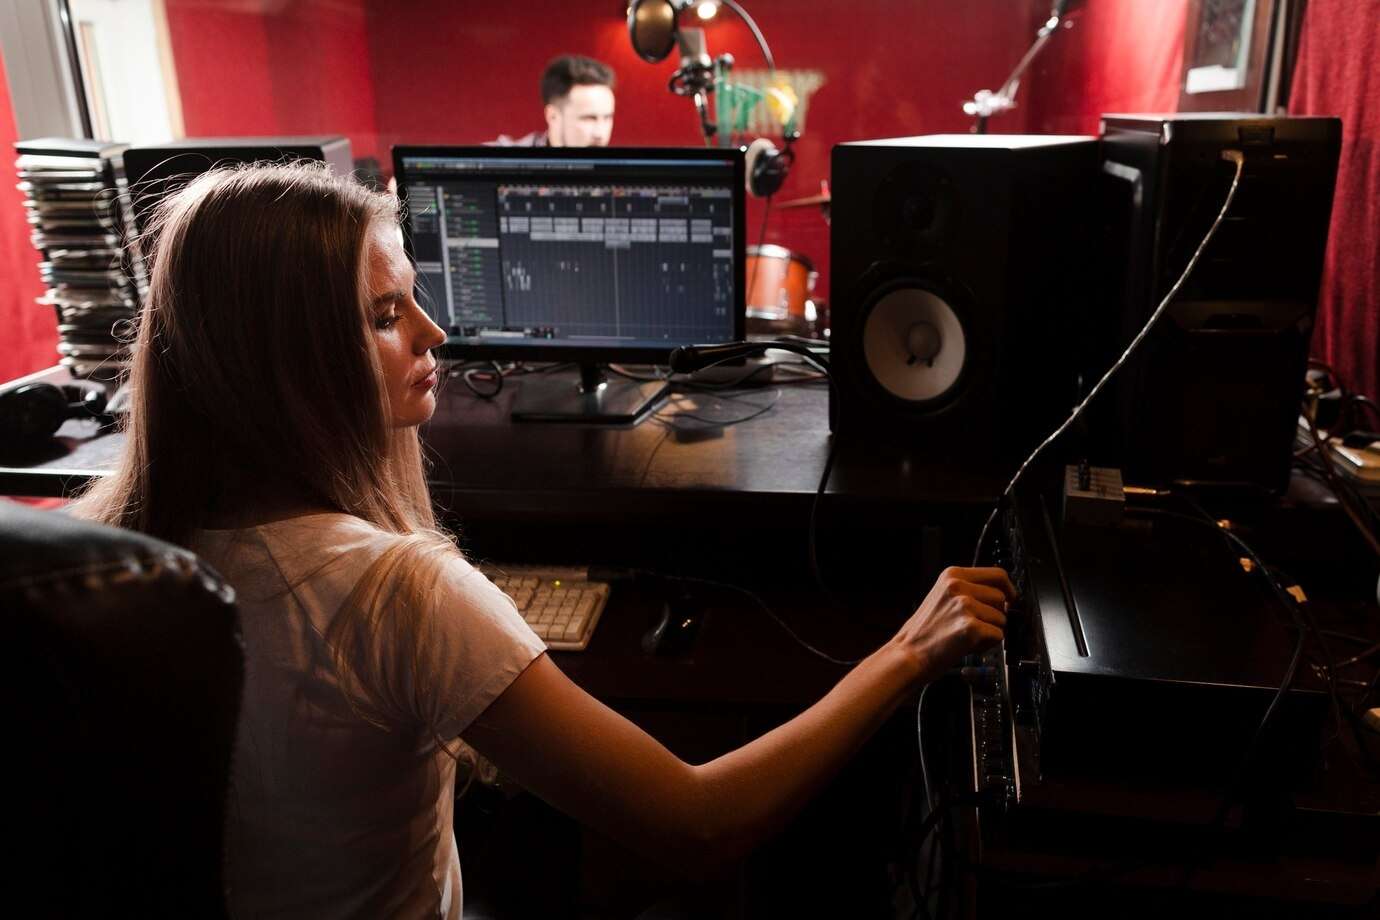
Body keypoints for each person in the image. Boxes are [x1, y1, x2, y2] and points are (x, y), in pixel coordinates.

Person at [71, 162, 1012, 918]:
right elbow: (697, 825)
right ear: (292, 362)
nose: (435, 332)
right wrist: (904, 654)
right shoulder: (400, 596)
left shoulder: (85, 562)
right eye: (385, 315)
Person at [491, 54, 616, 147]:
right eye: (589, 118)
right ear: (553, 116)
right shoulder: (511, 161)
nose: (600, 133)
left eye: (607, 118)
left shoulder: (618, 174)